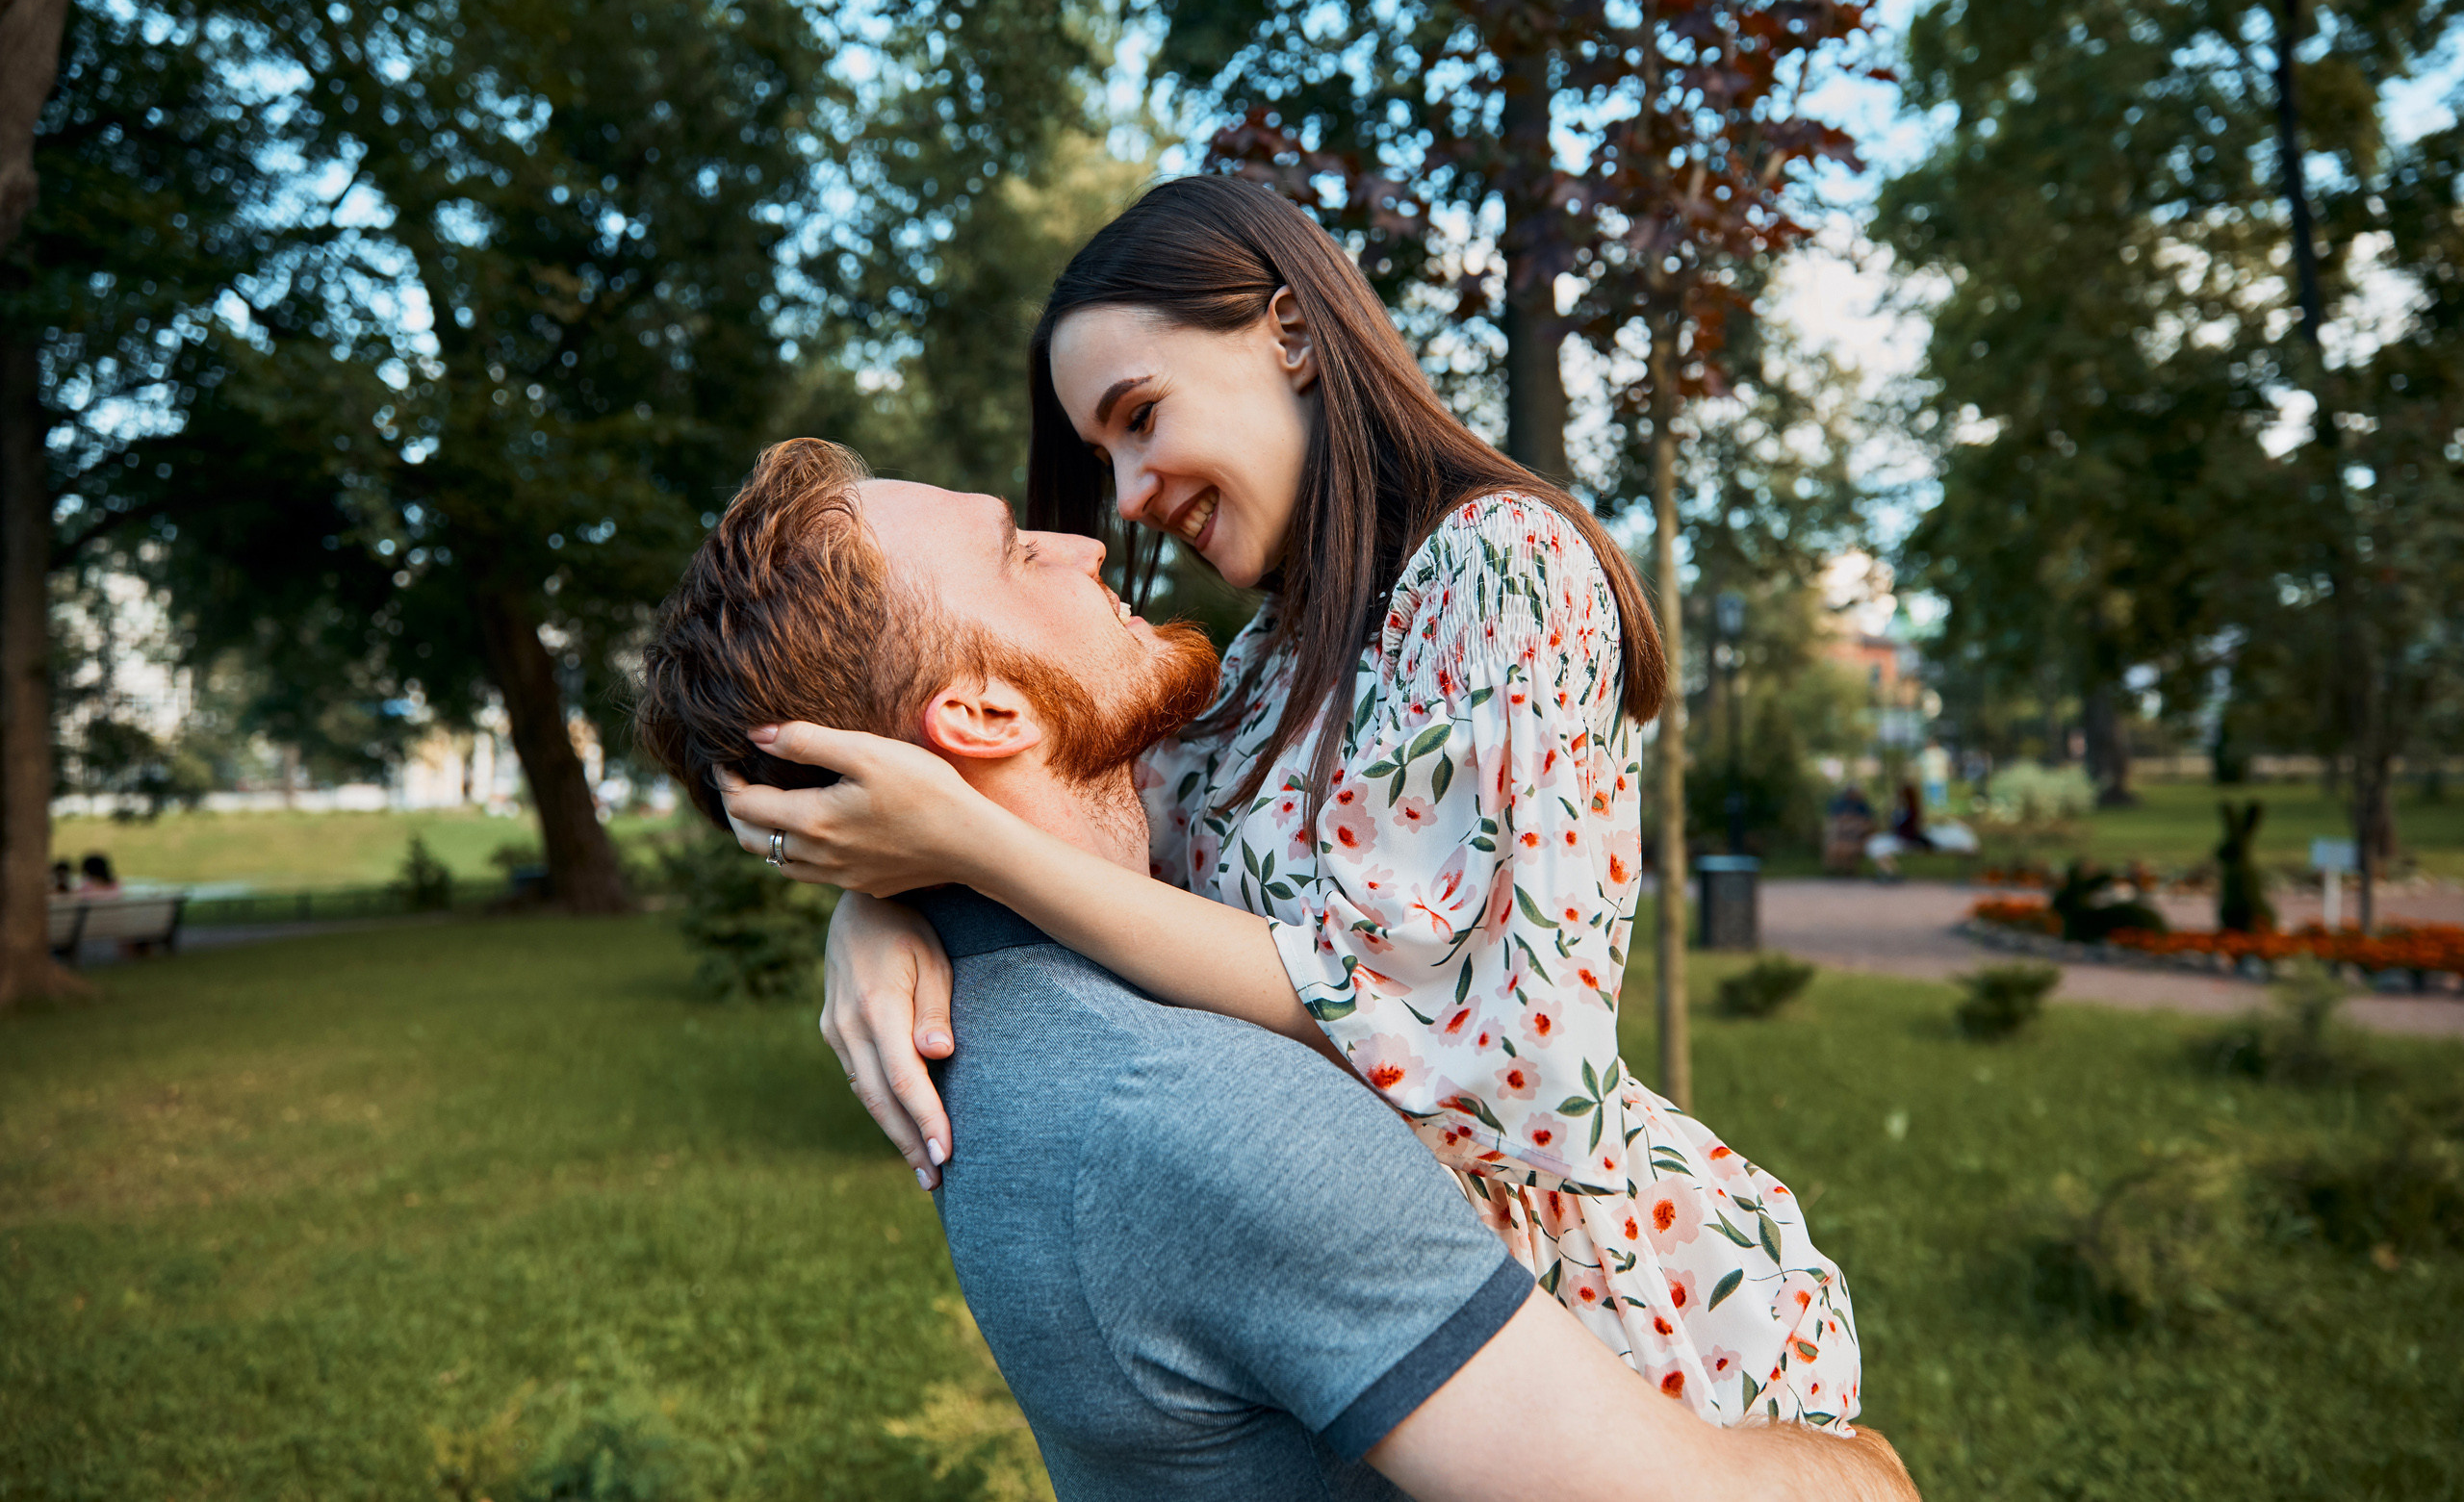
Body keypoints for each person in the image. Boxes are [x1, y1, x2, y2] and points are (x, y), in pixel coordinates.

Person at [722, 178, 1861, 1430]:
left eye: (1141, 416)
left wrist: (967, 849)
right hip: (1335, 1304)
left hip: (1579, 1328)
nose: (1132, 495)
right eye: (1107, 458)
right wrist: (883, 903)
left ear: (1295, 335)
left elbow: (1462, 1028)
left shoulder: (1505, 568)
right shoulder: (1269, 665)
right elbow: (1073, 822)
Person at [633, 444, 1918, 1501]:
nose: (1093, 535)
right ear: (978, 721)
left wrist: (880, 898)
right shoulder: (1201, 1111)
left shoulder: (1014, 1020)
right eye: (1021, 553)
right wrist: (1863, 1468)